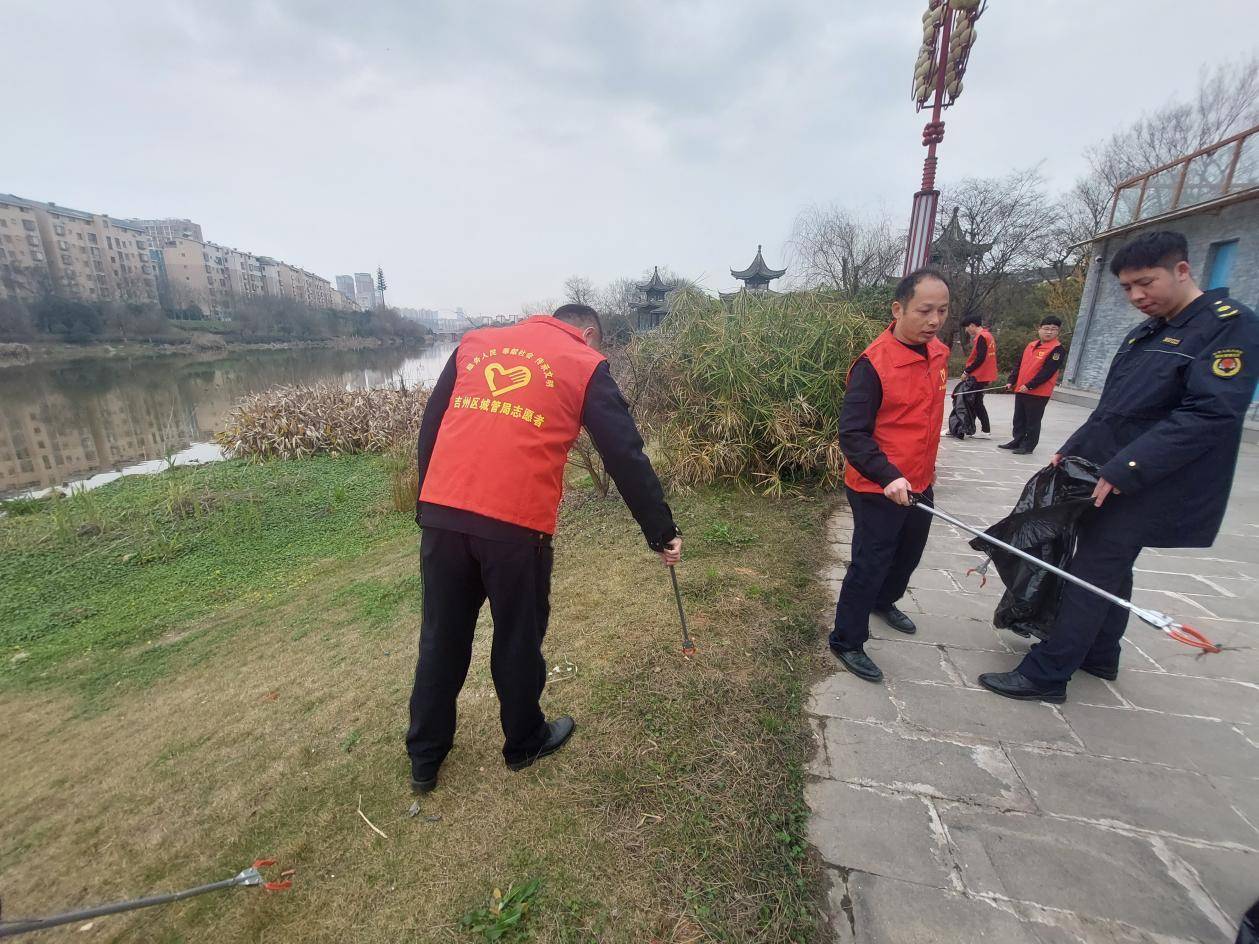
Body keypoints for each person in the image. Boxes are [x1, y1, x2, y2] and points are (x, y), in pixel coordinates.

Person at [406, 304, 682, 791]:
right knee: (517, 636)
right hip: (516, 523)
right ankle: (524, 741)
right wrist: (660, 530)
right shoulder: (583, 362)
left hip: (444, 514)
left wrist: (428, 500)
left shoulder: (475, 343)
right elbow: (624, 452)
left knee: (441, 636)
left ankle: (424, 759)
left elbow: (433, 422)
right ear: (588, 332)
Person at [979, 231, 1258, 702]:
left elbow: (1210, 413)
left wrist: (1126, 468)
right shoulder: (1148, 331)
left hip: (1152, 479)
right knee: (1110, 564)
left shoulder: (1228, 326)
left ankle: (1047, 674)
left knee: (1091, 571)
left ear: (1183, 270)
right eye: (1127, 288)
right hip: (1110, 472)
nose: (1136, 297)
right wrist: (1071, 449)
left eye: (1145, 283)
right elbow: (1115, 408)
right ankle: (1100, 653)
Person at [829, 268, 951, 682]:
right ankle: (847, 639)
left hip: (921, 479)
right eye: (924, 311)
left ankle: (886, 601)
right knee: (870, 560)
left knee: (909, 552)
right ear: (898, 309)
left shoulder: (938, 353)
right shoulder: (872, 365)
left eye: (942, 311)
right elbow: (853, 434)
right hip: (877, 485)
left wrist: (920, 472)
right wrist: (887, 475)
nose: (934, 320)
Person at [999, 316, 1066, 455]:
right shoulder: (1031, 345)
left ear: (1058, 332)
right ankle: (1017, 440)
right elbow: (1019, 364)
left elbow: (1047, 371)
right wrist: (1011, 380)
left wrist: (1030, 385)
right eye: (1046, 328)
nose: (1049, 332)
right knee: (1019, 418)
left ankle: (1028, 446)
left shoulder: (1057, 349)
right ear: (1039, 329)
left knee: (1032, 421)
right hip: (1021, 389)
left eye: (1053, 329)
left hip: (1038, 392)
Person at [959, 313, 998, 435]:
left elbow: (980, 358)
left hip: (979, 375)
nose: (966, 330)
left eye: (966, 327)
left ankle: (985, 430)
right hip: (984, 374)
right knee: (976, 403)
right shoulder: (988, 335)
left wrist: (967, 371)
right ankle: (971, 428)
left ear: (972, 325)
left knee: (976, 404)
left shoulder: (982, 337)